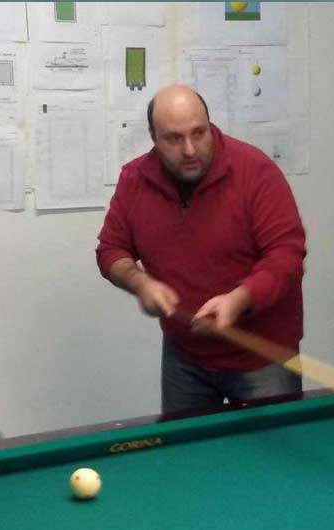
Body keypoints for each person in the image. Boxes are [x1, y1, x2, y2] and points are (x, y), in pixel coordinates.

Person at [96, 84, 306, 414]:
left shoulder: (254, 170)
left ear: (210, 125)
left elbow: (287, 256)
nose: (190, 149)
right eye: (174, 139)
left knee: (272, 448)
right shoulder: (135, 179)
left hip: (262, 357)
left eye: (199, 132)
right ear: (153, 137)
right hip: (185, 357)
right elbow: (110, 250)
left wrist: (240, 299)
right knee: (184, 447)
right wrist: (140, 282)